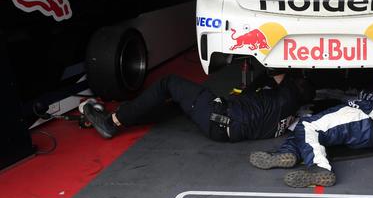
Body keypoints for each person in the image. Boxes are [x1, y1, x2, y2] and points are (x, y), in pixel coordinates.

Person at [249, 64, 373, 187]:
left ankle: (320, 168)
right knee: (317, 134)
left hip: (371, 115)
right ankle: (289, 152)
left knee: (308, 126)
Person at [79, 71, 314, 142]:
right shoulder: (289, 112)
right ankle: (128, 114)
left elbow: (279, 74)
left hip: (219, 115)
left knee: (169, 82)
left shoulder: (287, 94)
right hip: (224, 128)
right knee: (179, 104)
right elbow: (250, 93)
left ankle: (111, 122)